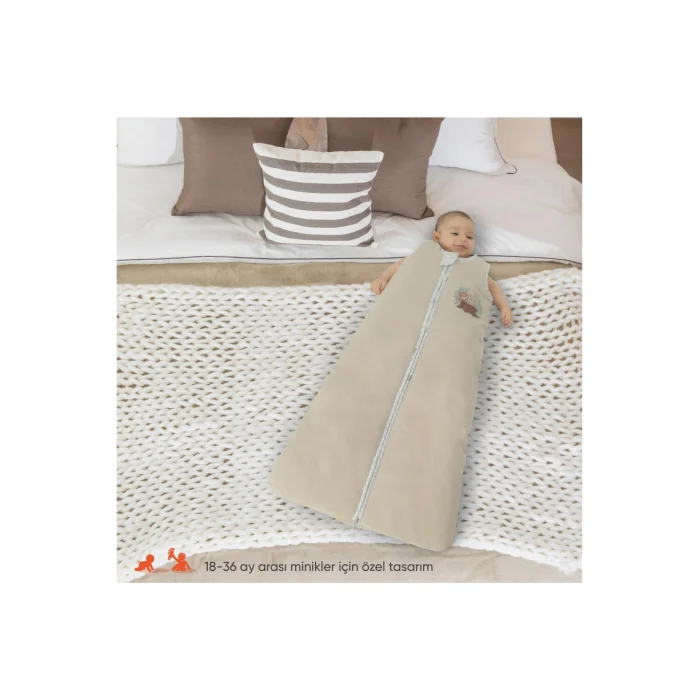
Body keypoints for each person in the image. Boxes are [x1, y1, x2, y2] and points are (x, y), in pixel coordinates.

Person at [370, 211, 513, 327]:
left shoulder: (475, 266)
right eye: (455, 233)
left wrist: (504, 307)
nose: (464, 239)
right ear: (437, 237)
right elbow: (401, 264)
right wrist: (384, 278)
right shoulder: (427, 253)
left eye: (469, 236)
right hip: (416, 308)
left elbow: (492, 286)